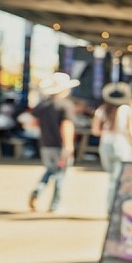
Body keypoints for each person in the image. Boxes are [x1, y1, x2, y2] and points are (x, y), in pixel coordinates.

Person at [28, 73, 79, 213]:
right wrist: (68, 145)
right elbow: (66, 126)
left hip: (45, 144)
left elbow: (33, 123)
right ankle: (55, 205)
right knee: (60, 175)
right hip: (59, 145)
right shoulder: (65, 105)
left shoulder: (42, 105)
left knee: (50, 169)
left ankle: (38, 189)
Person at [92, 82, 132, 210]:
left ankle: (112, 205)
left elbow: (95, 131)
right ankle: (113, 206)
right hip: (121, 145)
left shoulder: (101, 110)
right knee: (117, 178)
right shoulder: (126, 110)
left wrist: (107, 131)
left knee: (112, 176)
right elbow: (131, 131)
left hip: (105, 145)